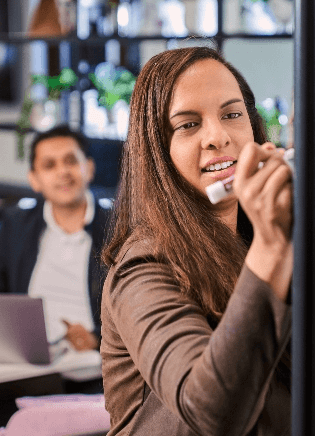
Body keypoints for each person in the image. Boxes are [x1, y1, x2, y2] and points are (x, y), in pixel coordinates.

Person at [100, 47, 292, 435]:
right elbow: (212, 415)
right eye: (188, 125)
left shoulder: (268, 235)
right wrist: (273, 246)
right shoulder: (143, 267)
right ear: (157, 150)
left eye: (232, 115)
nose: (218, 137)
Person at [0, 125, 111, 352]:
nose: (63, 172)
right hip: (28, 356)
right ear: (34, 179)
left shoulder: (120, 229)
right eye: (49, 165)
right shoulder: (16, 224)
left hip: (96, 360)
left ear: (89, 168)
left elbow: (138, 311)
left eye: (71, 161)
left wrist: (97, 339)